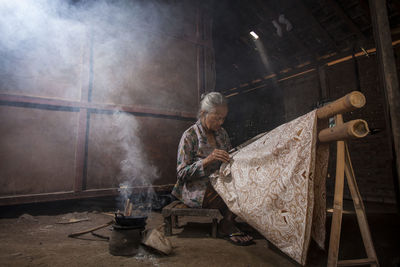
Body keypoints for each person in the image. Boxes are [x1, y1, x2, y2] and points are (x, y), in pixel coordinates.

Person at [172, 92, 253, 246]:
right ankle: (227, 224)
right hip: (198, 188)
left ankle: (227, 220)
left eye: (223, 118)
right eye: (217, 117)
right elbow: (181, 173)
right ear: (204, 113)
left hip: (220, 181)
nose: (220, 122)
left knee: (247, 184)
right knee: (230, 192)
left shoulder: (221, 133)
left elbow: (229, 156)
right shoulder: (190, 136)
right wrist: (207, 160)